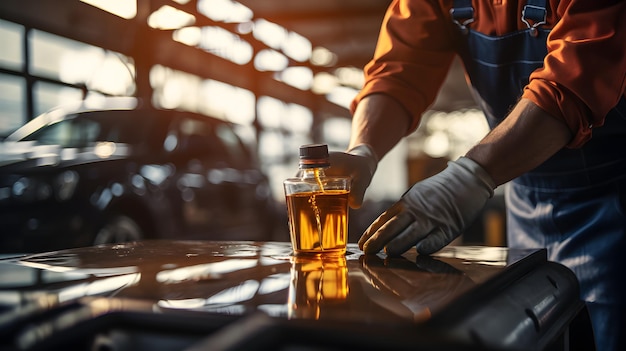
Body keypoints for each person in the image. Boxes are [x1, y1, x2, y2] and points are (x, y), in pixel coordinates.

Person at [327, 1, 626, 350]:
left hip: (615, 198)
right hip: (526, 197)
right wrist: (364, 148)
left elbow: (575, 78)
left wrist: (472, 175)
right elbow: (398, 72)